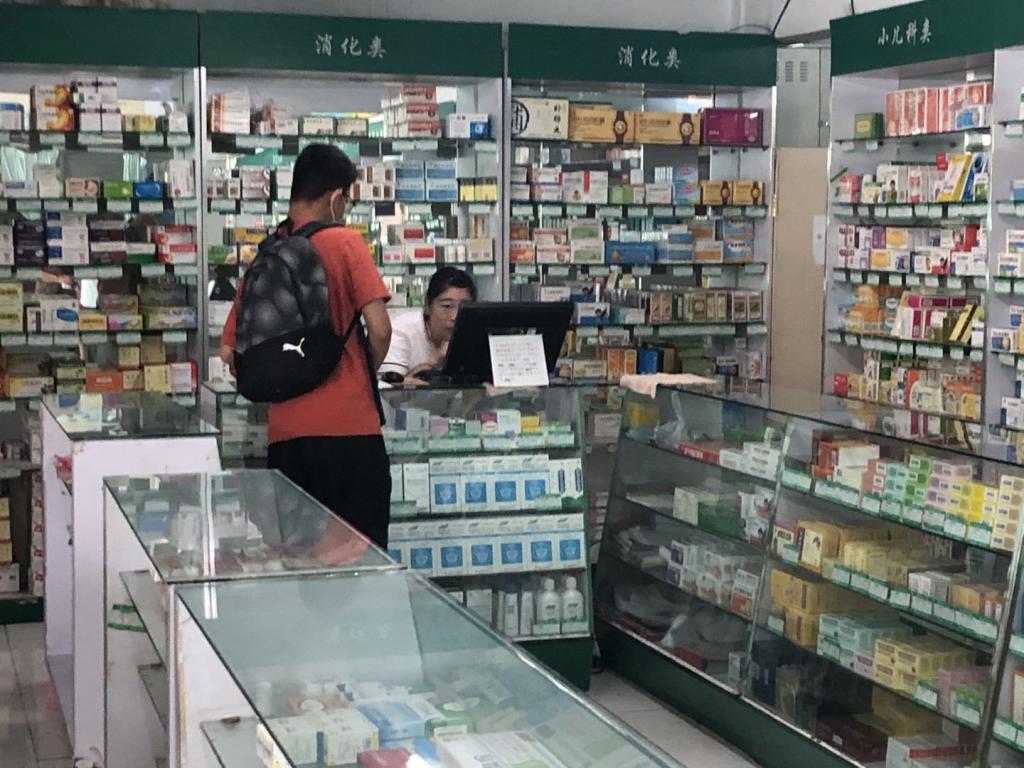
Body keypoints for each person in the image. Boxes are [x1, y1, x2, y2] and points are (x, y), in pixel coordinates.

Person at [219, 144, 393, 546]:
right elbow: (380, 329)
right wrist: (360, 373)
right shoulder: (345, 242)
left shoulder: (268, 253)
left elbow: (228, 351)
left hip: (286, 439)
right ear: (335, 198)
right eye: (347, 200)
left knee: (297, 560)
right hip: (350, 434)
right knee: (361, 561)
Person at [379, 266, 476, 380]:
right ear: (427, 306)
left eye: (463, 308)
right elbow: (392, 388)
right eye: (446, 306)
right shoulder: (400, 331)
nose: (455, 316)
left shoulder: (474, 333)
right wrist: (434, 360)